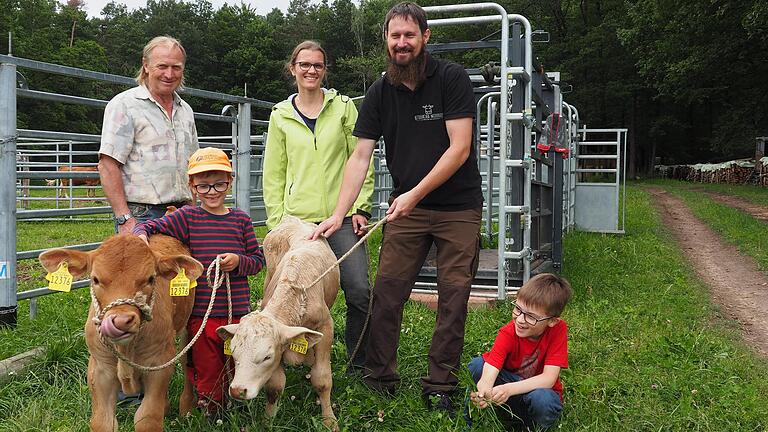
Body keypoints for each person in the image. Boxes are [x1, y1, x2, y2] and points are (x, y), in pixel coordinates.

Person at [311, 2, 483, 413]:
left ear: (425, 37)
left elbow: (459, 148)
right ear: (386, 41)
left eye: (409, 35)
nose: (401, 43)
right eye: (394, 36)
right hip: (407, 209)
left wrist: (414, 194)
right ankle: (379, 375)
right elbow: (359, 157)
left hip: (456, 207)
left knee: (453, 294)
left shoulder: (451, 79)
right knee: (387, 292)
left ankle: (440, 382)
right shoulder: (380, 92)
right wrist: (338, 213)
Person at [263, 40, 375, 373]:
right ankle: (286, 358)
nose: (311, 70)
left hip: (341, 218)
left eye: (318, 65)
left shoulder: (342, 108)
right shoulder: (280, 115)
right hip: (297, 221)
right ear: (292, 68)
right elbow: (274, 171)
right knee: (284, 292)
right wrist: (279, 223)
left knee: (358, 289)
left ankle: (358, 363)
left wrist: (361, 207)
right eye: (305, 64)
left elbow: (361, 158)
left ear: (325, 70)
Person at [133, 147, 265, 414]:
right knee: (206, 365)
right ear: (192, 187)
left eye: (218, 184)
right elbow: (153, 225)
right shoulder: (189, 217)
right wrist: (140, 231)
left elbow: (258, 261)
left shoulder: (241, 221)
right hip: (202, 314)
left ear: (230, 181)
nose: (212, 192)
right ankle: (211, 408)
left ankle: (238, 408)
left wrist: (240, 262)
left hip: (237, 314)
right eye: (203, 186)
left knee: (237, 362)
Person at [99, 35, 199, 234]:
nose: (169, 74)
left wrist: (193, 207)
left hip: (183, 213)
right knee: (142, 266)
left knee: (182, 266)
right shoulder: (124, 104)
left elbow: (194, 163)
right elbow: (108, 164)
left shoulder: (185, 110)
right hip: (142, 213)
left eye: (176, 67)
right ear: (146, 65)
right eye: (162, 66)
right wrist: (124, 217)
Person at [468, 274, 572, 431]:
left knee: (543, 399)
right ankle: (483, 419)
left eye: (531, 316)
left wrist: (508, 389)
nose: (520, 320)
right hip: (508, 396)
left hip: (538, 393)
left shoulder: (558, 330)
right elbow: (492, 365)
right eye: (518, 309)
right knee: (477, 365)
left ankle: (533, 426)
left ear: (552, 321)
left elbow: (548, 379)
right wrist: (484, 390)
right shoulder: (508, 332)